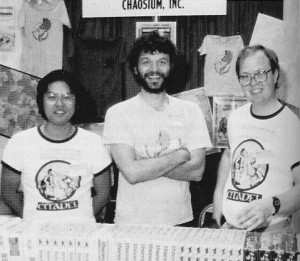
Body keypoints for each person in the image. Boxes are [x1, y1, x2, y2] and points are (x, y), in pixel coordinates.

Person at [103, 32, 212, 226]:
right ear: (136, 69)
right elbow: (132, 173)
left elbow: (197, 172)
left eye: (162, 61)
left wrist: (143, 163)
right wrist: (180, 155)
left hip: (180, 221)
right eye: (146, 62)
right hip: (131, 223)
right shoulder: (118, 113)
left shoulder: (191, 110)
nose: (154, 69)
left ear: (171, 67)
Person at [1, 69, 112, 223]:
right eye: (52, 97)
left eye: (67, 97)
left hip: (79, 235)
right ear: (41, 101)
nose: (60, 104)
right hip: (35, 234)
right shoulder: (20, 142)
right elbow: (7, 191)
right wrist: (31, 217)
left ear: (76, 101)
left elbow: (104, 193)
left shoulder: (93, 142)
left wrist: (80, 218)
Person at [213, 44, 300, 232]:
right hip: (232, 228)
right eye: (245, 76)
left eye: (260, 73)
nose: (253, 83)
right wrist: (218, 197)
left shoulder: (292, 124)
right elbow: (229, 156)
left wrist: (271, 205)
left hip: (272, 231)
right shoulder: (236, 117)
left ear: (275, 75)